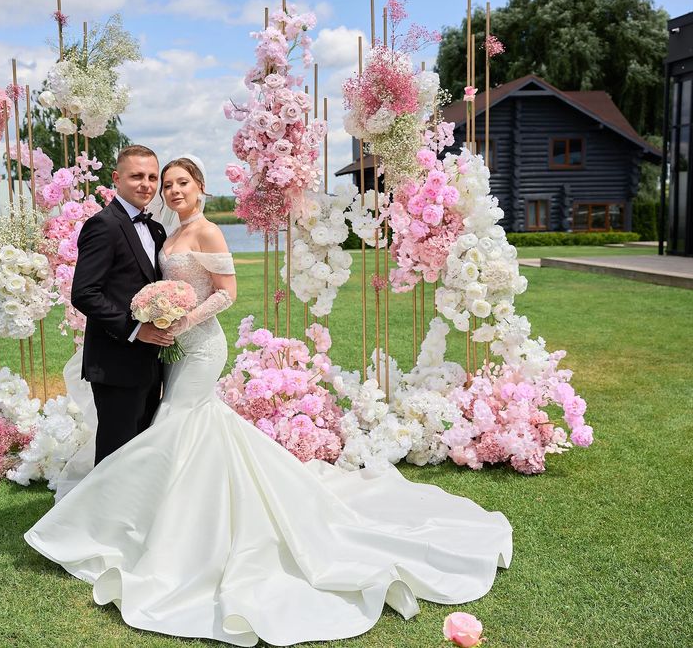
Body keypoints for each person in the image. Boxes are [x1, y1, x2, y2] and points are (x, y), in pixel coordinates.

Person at [26, 156, 512, 647]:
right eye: (159, 181)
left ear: (200, 186)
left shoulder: (206, 231)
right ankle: (156, 524)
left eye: (176, 182)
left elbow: (226, 293)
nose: (166, 189)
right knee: (172, 432)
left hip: (197, 346)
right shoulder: (159, 230)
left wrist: (182, 321)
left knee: (176, 425)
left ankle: (165, 534)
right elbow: (99, 290)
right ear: (121, 180)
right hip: (163, 352)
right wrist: (153, 322)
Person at [70, 144, 171, 466]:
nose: (146, 184)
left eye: (152, 177)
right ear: (116, 178)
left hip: (151, 362)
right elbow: (84, 292)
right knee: (115, 455)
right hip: (115, 362)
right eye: (136, 176)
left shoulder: (155, 229)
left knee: (141, 451)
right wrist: (135, 329)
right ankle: (101, 501)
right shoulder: (103, 225)